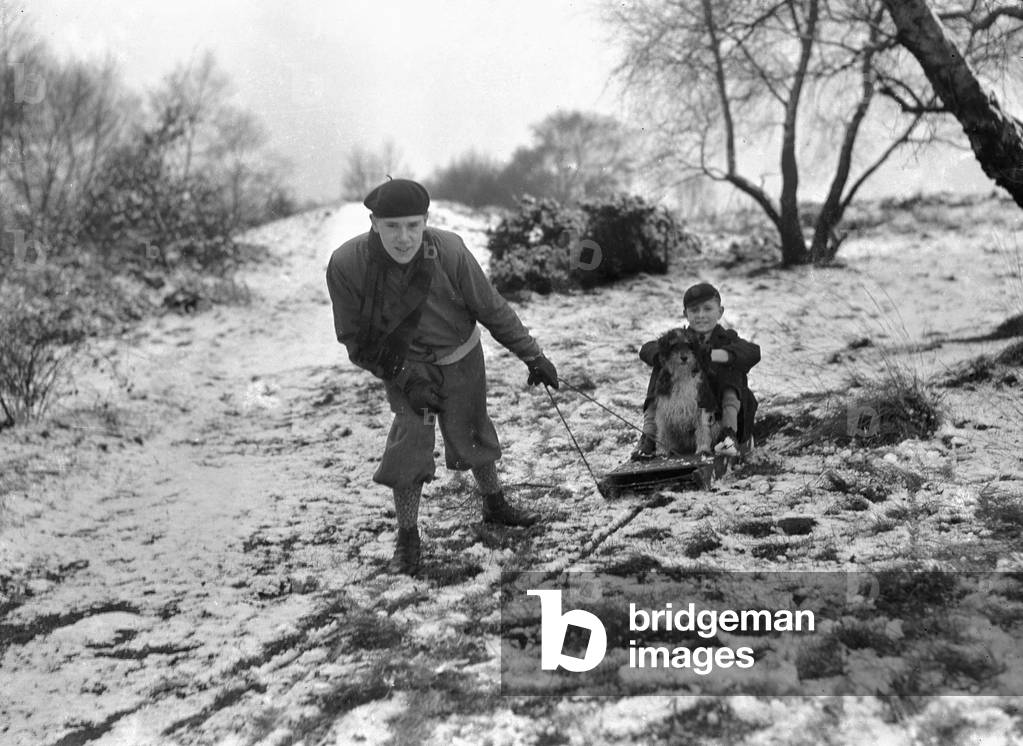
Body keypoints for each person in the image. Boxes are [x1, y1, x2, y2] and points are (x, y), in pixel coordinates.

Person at [325, 178, 559, 576]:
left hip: (461, 356)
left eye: (413, 226)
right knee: (412, 439)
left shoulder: (448, 251)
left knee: (471, 429)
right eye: (392, 226)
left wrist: (532, 355)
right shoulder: (348, 265)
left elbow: (491, 308)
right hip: (407, 368)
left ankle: (494, 502)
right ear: (373, 223)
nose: (404, 238)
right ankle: (408, 535)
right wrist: (404, 378)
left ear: (426, 221)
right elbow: (354, 340)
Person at [633, 282, 760, 459]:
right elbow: (647, 349)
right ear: (686, 314)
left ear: (720, 312)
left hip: (719, 415)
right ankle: (649, 436)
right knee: (664, 366)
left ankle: (728, 435)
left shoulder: (728, 339)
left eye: (708, 309)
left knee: (732, 368)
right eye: (694, 310)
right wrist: (664, 355)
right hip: (686, 418)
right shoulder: (681, 339)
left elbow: (753, 352)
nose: (701, 315)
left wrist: (717, 355)